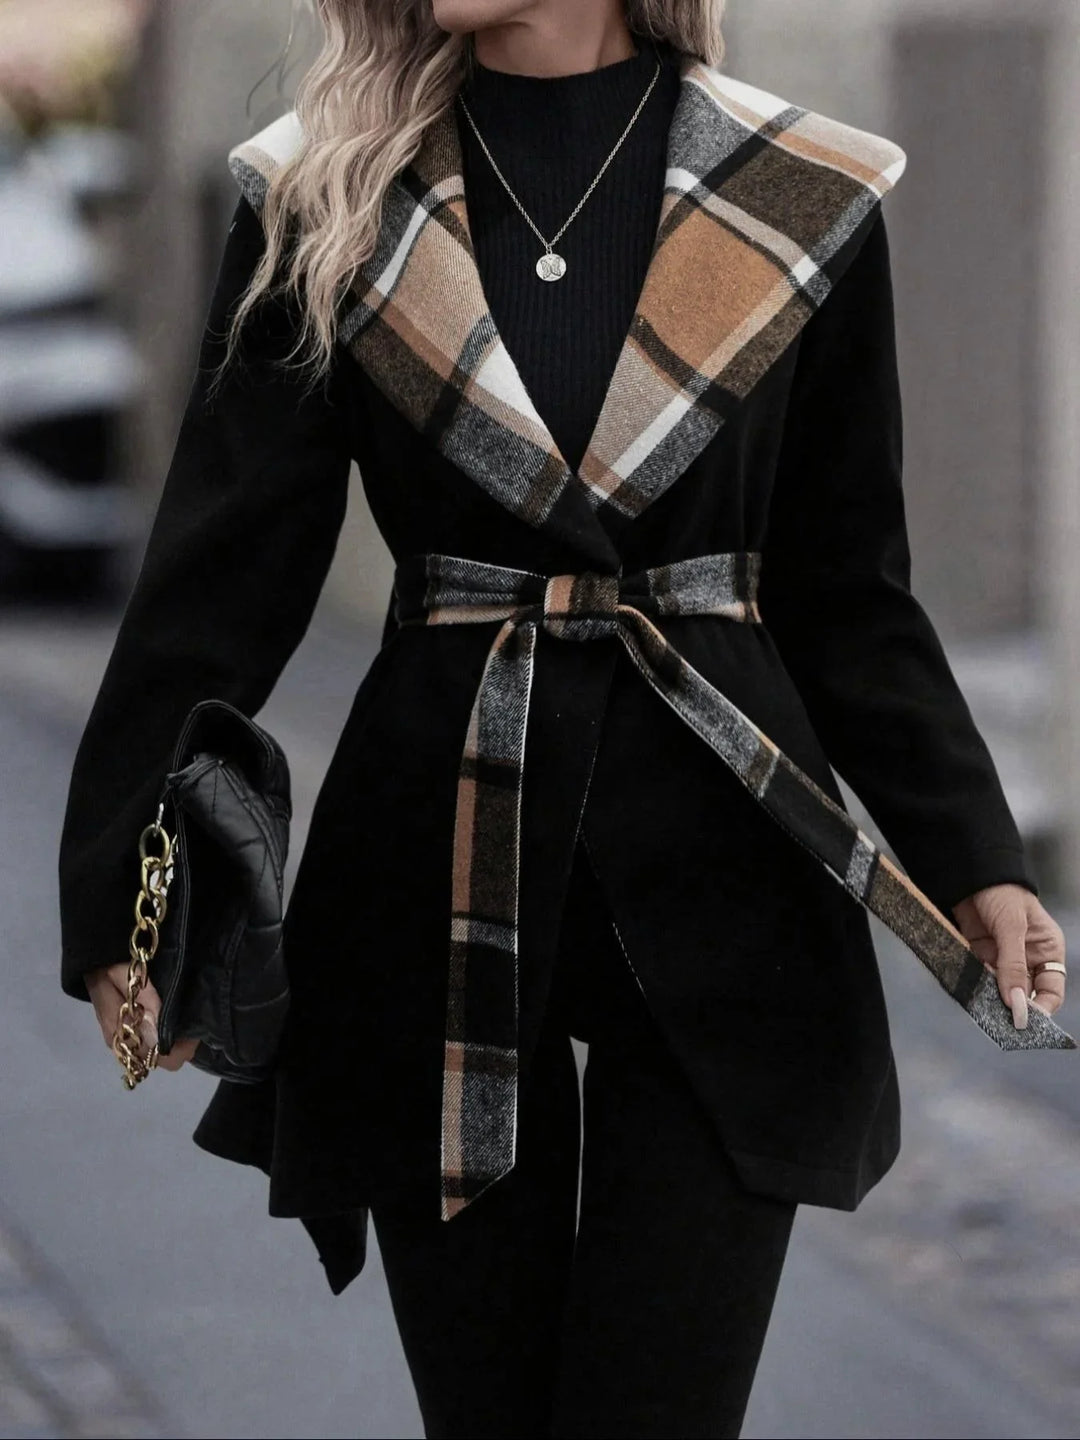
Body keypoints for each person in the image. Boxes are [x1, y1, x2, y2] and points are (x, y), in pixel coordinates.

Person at [58, 2, 1070, 1436]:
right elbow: (216, 586)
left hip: (733, 871)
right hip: (429, 877)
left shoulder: (800, 188)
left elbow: (848, 587)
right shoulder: (324, 194)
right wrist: (123, 894)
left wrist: (972, 851)